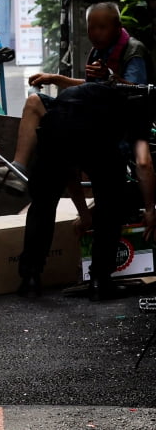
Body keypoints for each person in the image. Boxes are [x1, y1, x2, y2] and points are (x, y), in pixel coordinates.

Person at [0, 2, 151, 194]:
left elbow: (136, 91)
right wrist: (55, 79)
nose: (95, 33)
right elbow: (90, 87)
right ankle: (18, 169)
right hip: (91, 117)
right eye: (91, 28)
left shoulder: (133, 51)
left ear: (118, 27)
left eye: (102, 27)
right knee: (35, 101)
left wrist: (109, 77)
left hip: (119, 125)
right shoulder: (98, 51)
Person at [16, 79, 156, 298]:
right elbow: (144, 163)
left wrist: (84, 213)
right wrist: (150, 209)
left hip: (56, 123)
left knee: (43, 202)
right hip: (97, 132)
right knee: (110, 203)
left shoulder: (102, 92)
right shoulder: (141, 107)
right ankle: (100, 281)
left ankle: (30, 279)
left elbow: (69, 169)